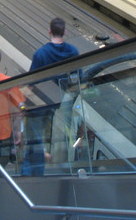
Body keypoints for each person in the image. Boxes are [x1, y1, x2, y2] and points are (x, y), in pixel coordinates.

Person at [24, 18, 80, 175]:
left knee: (34, 138)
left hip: (37, 103)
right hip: (56, 102)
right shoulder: (73, 52)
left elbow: (31, 82)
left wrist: (21, 101)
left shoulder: (40, 53)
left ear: (49, 31)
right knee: (46, 135)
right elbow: (76, 78)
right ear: (65, 32)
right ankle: (38, 169)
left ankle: (30, 173)